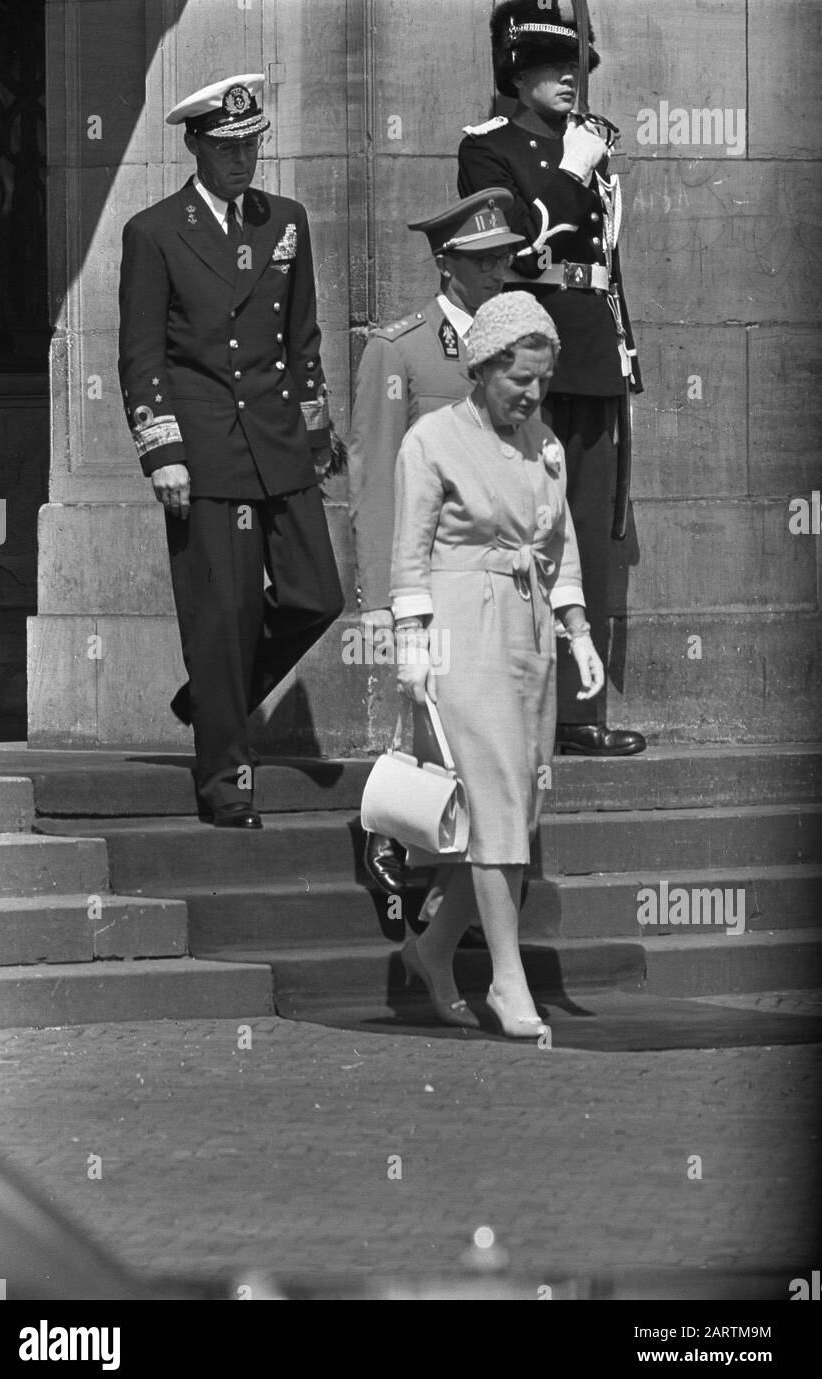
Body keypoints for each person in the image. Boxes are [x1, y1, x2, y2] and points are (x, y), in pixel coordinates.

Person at [118, 74, 343, 828]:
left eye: (250, 144)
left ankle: (210, 698)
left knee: (317, 595)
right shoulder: (154, 232)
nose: (242, 159)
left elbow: (301, 339)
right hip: (205, 445)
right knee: (224, 613)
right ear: (195, 146)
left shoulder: (285, 221)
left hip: (278, 438)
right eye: (226, 147)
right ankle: (225, 781)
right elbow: (142, 355)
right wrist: (163, 452)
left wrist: (316, 434)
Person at [390, 293, 604, 1037]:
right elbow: (408, 552)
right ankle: (507, 984)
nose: (533, 394)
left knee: (510, 808)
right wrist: (412, 648)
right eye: (520, 379)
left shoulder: (540, 441)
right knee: (495, 798)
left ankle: (432, 947)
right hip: (459, 628)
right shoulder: (431, 439)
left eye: (542, 381)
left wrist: (576, 629)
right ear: (482, 369)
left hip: (527, 630)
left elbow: (560, 541)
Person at [457, 0, 646, 757]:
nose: (570, 79)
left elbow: (603, 261)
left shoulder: (588, 147)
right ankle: (508, 703)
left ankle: (577, 712)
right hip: (526, 349)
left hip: (591, 347)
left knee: (585, 539)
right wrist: (570, 173)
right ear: (519, 71)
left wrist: (623, 345)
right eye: (553, 68)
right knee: (517, 530)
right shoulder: (489, 149)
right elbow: (514, 241)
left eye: (577, 68)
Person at [348, 189, 525, 891]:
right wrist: (384, 595)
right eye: (481, 260)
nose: (495, 272)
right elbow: (375, 481)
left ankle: (464, 869)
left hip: (496, 579)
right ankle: (396, 835)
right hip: (429, 578)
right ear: (445, 263)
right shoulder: (400, 353)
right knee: (428, 719)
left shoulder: (513, 347)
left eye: (503, 258)